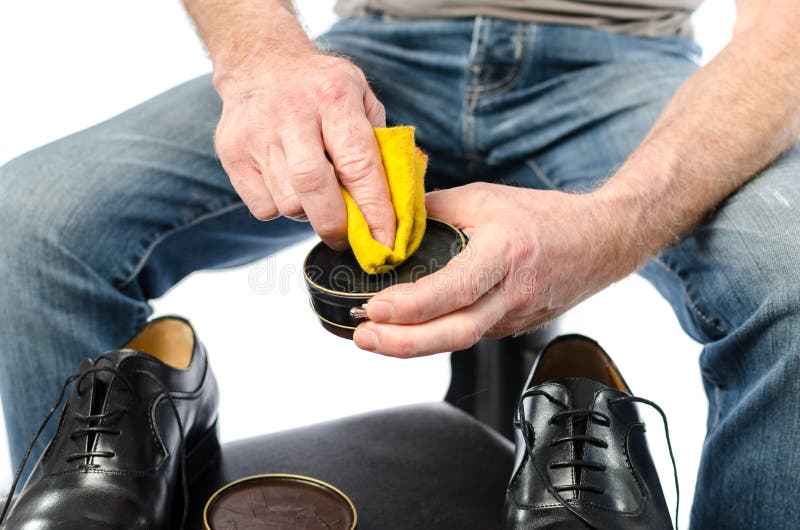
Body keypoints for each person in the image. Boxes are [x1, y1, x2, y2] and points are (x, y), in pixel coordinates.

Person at [0, 0, 798, 527]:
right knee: (27, 224)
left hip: (624, 67)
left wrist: (612, 228)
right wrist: (260, 56)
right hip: (371, 57)